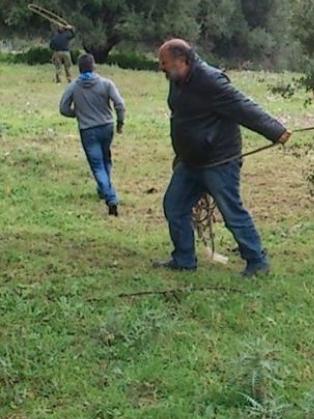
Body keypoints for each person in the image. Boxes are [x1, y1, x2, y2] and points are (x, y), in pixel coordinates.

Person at [154, 38, 291, 277]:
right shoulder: (177, 79)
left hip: (218, 161)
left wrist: (275, 131)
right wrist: (181, 153)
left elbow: (242, 106)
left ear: (181, 61)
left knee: (232, 212)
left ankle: (257, 263)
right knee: (174, 206)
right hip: (190, 161)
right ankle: (184, 259)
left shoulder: (210, 80)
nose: (161, 68)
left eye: (164, 63)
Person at [59, 53, 126, 215]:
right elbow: (120, 104)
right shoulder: (106, 83)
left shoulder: (74, 86)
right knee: (106, 159)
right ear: (94, 66)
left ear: (79, 69)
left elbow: (63, 108)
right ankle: (104, 189)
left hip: (87, 130)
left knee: (97, 165)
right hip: (106, 127)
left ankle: (110, 198)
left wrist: (77, 113)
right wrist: (120, 122)